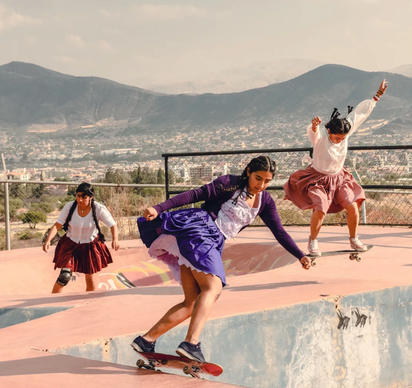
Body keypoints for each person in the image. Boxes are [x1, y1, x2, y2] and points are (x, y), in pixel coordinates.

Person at [132, 155, 311, 364]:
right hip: (200, 230)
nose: (261, 185)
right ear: (248, 173)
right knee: (213, 288)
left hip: (212, 241)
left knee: (192, 303)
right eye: (258, 178)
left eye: (267, 181)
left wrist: (300, 255)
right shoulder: (230, 184)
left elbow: (279, 231)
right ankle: (191, 343)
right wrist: (160, 207)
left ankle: (147, 340)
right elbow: (195, 194)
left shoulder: (265, 201)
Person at [283, 80, 388, 257]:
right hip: (317, 179)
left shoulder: (345, 130)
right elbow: (313, 133)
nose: (340, 140)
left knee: (352, 206)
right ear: (330, 132)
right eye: (337, 138)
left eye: (342, 138)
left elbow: (359, 114)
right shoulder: (322, 136)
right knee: (320, 207)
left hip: (339, 178)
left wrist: (377, 95)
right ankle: (313, 242)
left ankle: (354, 239)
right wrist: (315, 126)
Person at [42, 182, 119, 293]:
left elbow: (112, 224)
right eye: (78, 196)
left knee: (91, 284)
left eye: (84, 197)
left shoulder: (99, 209)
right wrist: (48, 240)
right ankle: (50, 301)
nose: (80, 200)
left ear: (91, 197)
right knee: (64, 276)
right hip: (71, 244)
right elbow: (58, 224)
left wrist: (115, 239)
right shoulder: (69, 206)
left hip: (90, 246)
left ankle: (88, 306)